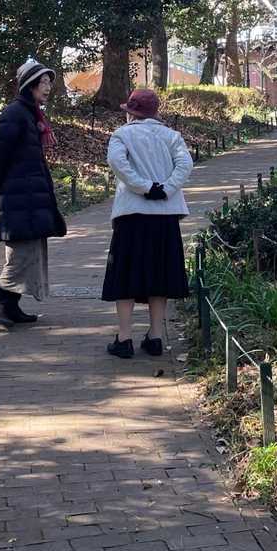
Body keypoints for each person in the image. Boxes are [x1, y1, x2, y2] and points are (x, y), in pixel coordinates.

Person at [102, 88, 194, 358]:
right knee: (160, 273)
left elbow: (117, 163)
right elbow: (185, 164)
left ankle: (124, 338)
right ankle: (155, 337)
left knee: (125, 274)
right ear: (155, 112)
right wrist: (165, 189)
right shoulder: (172, 136)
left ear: (131, 113)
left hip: (131, 213)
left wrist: (144, 187)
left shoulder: (122, 135)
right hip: (166, 214)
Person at [0, 58, 67, 328]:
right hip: (19, 197)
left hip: (30, 197)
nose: (47, 87)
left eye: (49, 83)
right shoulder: (15, 113)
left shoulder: (31, 115)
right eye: (42, 82)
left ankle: (11, 306)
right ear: (29, 85)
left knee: (30, 253)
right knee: (21, 255)